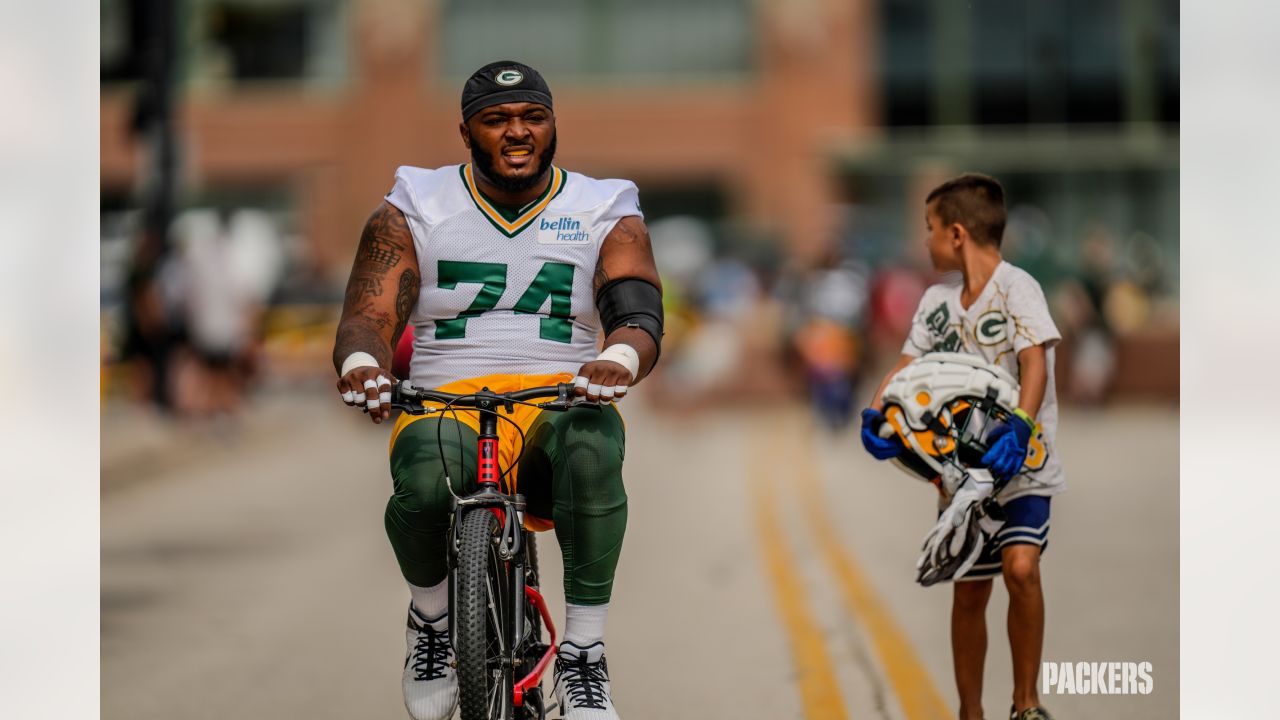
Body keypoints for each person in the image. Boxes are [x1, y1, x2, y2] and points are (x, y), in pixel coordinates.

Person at [331, 61, 662, 720]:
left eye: (532, 117)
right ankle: (431, 622)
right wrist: (362, 366)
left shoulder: (602, 207)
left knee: (594, 450)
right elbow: (367, 315)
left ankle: (583, 654)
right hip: (445, 398)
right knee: (424, 486)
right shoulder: (414, 204)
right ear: (466, 132)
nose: (518, 132)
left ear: (552, 125)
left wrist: (620, 354)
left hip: (559, 397)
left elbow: (637, 307)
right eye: (497, 119)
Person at [859, 174, 1064, 720]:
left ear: (956, 233)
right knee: (970, 594)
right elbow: (906, 368)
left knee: (1021, 569)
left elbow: (1034, 359)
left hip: (1021, 465)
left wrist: (1021, 424)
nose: (923, 241)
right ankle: (969, 712)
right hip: (960, 478)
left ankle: (1026, 705)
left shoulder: (1018, 287)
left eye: (928, 229)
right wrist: (879, 415)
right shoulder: (935, 301)